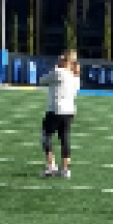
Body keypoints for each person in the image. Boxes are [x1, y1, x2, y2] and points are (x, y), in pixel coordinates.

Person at [38, 50, 80, 178]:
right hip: (70, 111)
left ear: (64, 61)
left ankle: (51, 166)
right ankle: (65, 169)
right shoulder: (75, 76)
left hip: (56, 109)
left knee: (45, 136)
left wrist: (55, 69)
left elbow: (41, 80)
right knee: (65, 138)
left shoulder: (58, 72)